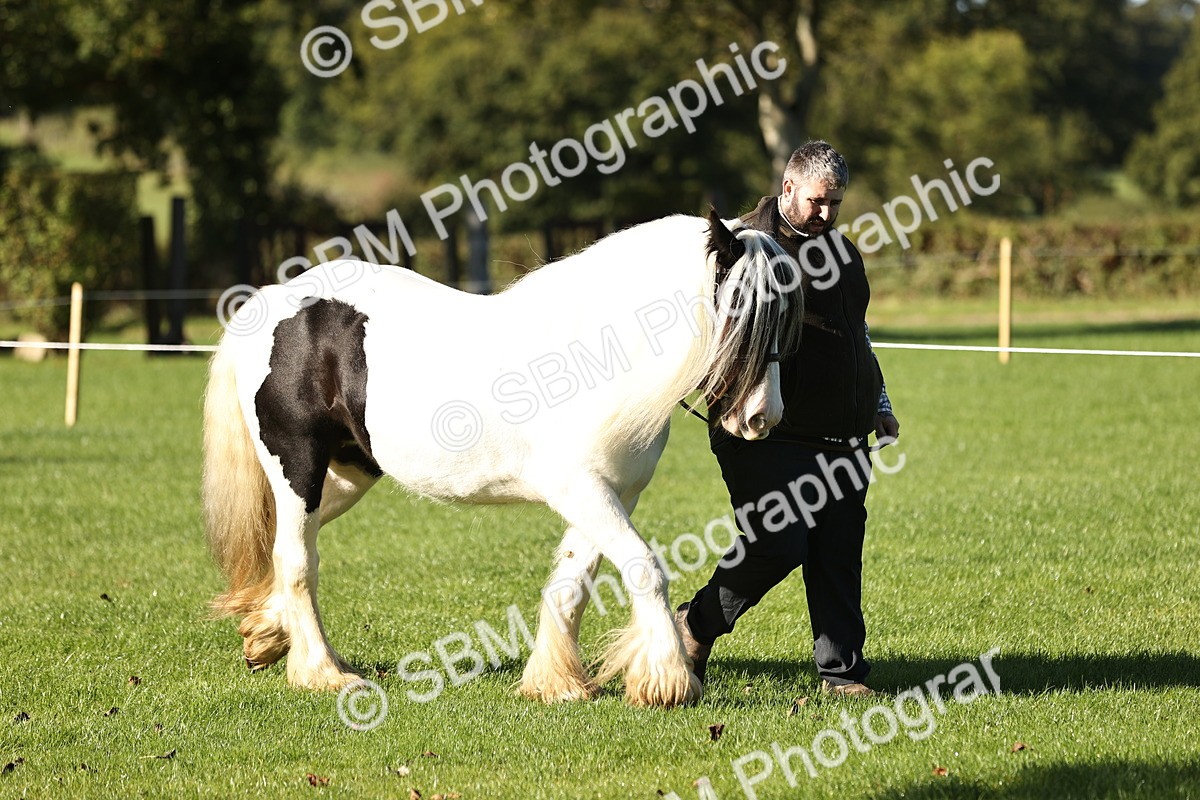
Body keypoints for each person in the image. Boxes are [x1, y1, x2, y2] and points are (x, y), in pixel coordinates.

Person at [676, 140, 899, 696]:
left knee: (838, 554)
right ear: (789, 188)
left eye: (837, 204)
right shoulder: (743, 246)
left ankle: (842, 673)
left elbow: (858, 337)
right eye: (818, 202)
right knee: (779, 542)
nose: (826, 214)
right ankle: (695, 626)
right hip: (764, 431)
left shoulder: (845, 255)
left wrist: (880, 404)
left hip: (844, 433)